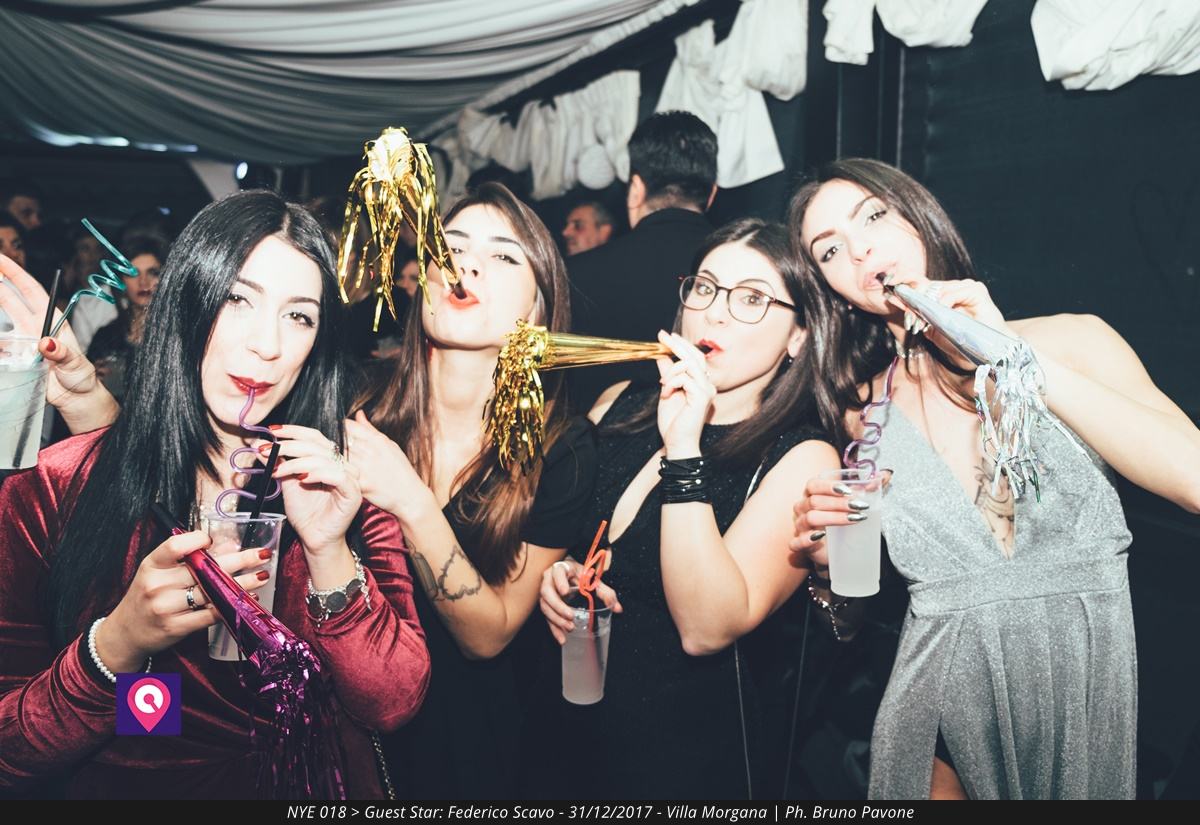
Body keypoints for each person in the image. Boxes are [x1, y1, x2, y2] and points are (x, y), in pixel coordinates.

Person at [787, 158, 1200, 799]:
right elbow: (855, 609)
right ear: (833, 289)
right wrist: (825, 568)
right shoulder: (860, 414)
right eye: (831, 250)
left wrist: (1007, 354)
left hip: (1085, 696)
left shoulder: (1071, 340)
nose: (859, 248)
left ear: (920, 216)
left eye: (873, 216)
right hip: (939, 716)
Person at [0, 190, 430, 799]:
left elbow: (393, 704)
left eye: (299, 316)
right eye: (237, 299)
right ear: (186, 300)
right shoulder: (54, 486)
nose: (267, 344)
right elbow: (12, 752)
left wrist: (328, 551)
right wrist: (118, 643)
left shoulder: (342, 482)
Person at [536, 218, 838, 798]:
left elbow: (706, 629)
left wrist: (683, 446)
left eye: (751, 298)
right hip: (569, 744)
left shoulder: (801, 458)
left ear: (799, 337)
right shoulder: (618, 405)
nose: (714, 314)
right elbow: (573, 544)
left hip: (688, 766)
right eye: (705, 287)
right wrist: (561, 575)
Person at [346, 182, 598, 798]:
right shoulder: (354, 408)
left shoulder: (559, 448)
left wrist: (408, 497)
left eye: (504, 255)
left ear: (538, 312)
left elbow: (489, 635)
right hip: (342, 743)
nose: (467, 264)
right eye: (451, 246)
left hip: (470, 759)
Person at [568, 111, 718, 410]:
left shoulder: (574, 274)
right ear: (712, 194)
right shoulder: (738, 276)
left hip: (592, 437)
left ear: (636, 190)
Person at [87, 234, 167, 400]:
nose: (143, 282)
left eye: (153, 273)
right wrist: (91, 381)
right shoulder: (106, 336)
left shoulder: (177, 336)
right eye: (133, 273)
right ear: (121, 281)